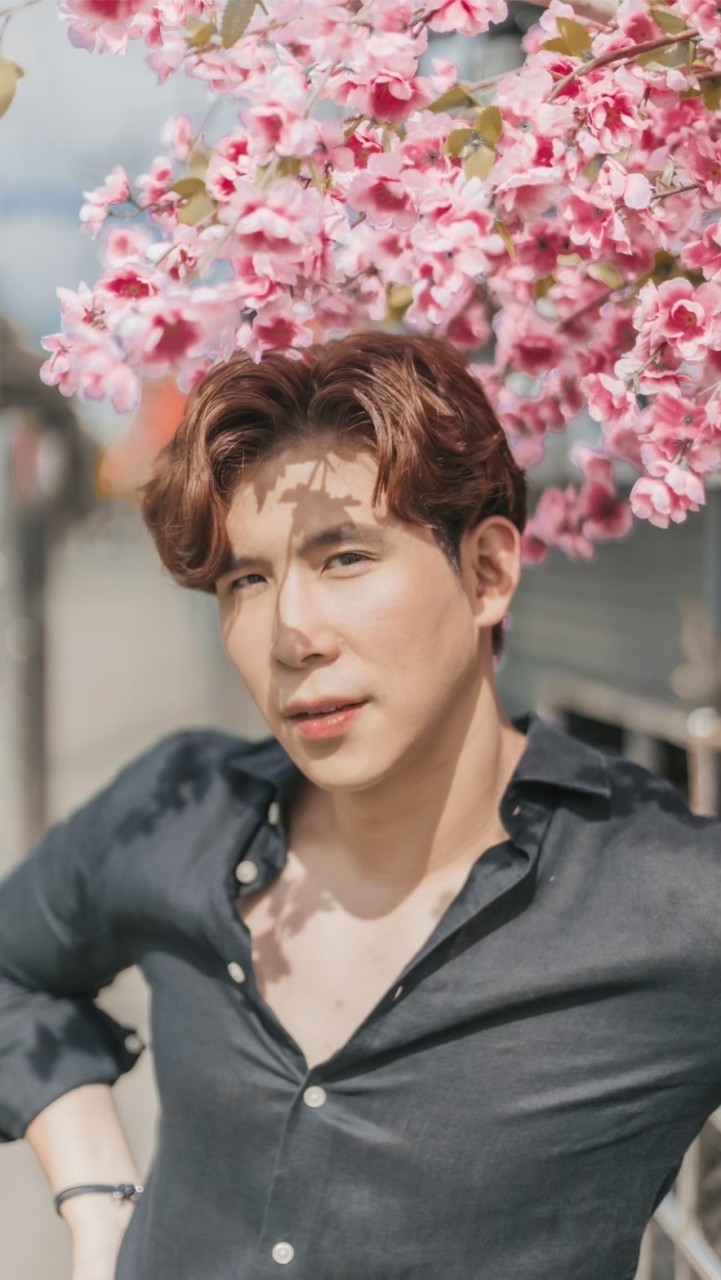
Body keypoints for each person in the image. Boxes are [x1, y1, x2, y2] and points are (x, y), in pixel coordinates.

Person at [1, 331, 720, 1280]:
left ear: (487, 573)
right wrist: (97, 1199)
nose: (290, 633)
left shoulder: (670, 899)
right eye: (246, 579)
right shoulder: (181, 805)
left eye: (343, 557)